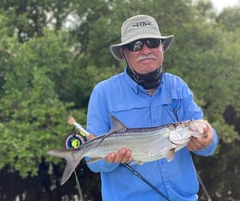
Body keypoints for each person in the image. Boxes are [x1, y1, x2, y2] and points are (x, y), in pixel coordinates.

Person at [86, 14, 218, 201]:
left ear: (162, 47)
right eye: (136, 45)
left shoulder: (177, 86)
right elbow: (92, 162)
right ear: (124, 53)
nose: (145, 50)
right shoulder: (103, 93)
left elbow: (208, 143)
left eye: (152, 42)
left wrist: (207, 139)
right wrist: (109, 162)